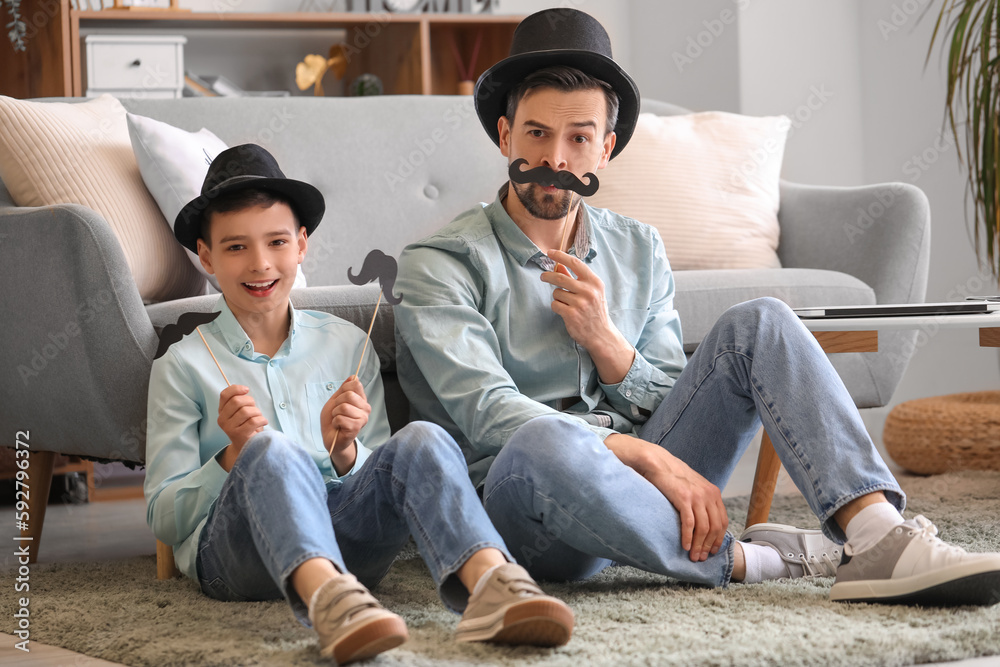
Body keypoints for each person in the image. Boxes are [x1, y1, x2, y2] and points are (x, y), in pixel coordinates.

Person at [394, 8, 1000, 606]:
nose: (556, 158)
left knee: (759, 321)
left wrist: (608, 345)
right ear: (505, 136)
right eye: (536, 133)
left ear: (604, 150)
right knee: (540, 443)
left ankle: (876, 537)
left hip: (655, 478)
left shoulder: (638, 247)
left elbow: (667, 395)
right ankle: (759, 560)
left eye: (578, 137)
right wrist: (641, 454)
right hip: (533, 504)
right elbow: (488, 414)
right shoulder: (438, 264)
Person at [144, 144, 575, 666]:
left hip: (351, 544)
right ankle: (328, 603)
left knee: (423, 439)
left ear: (301, 245)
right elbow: (163, 515)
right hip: (237, 560)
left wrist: (346, 451)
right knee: (270, 451)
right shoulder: (181, 366)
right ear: (207, 256)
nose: (260, 264)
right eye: (235, 248)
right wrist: (231, 458)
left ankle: (492, 584)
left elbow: (384, 480)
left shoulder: (348, 345)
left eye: (277, 242)